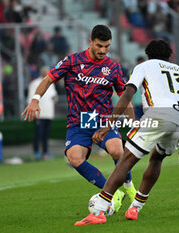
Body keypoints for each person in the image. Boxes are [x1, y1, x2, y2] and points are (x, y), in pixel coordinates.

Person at [75, 39, 179, 226]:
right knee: (157, 158)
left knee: (126, 159)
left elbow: (127, 94)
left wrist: (109, 124)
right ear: (169, 56)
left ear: (149, 55)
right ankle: (135, 207)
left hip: (159, 115)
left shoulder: (144, 66)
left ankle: (99, 210)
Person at [22, 25, 136, 212]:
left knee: (117, 150)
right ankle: (113, 192)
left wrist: (132, 122)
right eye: (99, 45)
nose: (102, 50)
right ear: (90, 41)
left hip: (102, 120)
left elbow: (125, 99)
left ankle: (129, 187)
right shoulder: (72, 61)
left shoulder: (113, 68)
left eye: (106, 46)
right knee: (74, 158)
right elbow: (48, 79)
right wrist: (35, 100)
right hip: (78, 121)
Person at [27, 66, 58, 160]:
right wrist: (33, 111)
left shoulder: (51, 84)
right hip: (39, 114)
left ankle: (45, 152)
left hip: (49, 113)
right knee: (38, 134)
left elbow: (55, 96)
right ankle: (36, 152)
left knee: (46, 135)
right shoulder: (35, 83)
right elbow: (31, 98)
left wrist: (54, 98)